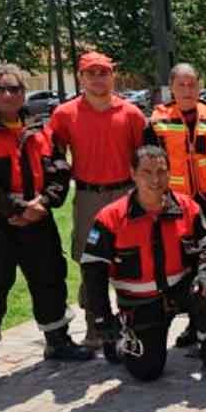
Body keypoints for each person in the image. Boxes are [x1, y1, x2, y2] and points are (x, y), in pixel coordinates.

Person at [0, 64, 92, 394]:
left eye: (15, 89)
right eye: (1, 89)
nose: (9, 95)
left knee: (49, 280)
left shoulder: (42, 131)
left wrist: (42, 205)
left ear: (24, 93)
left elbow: (60, 174)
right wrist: (17, 209)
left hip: (39, 222)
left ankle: (57, 341)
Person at [81, 145, 206, 388]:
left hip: (180, 291)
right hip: (140, 303)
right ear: (132, 173)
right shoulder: (110, 217)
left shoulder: (187, 206)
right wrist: (101, 316)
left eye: (161, 171)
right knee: (147, 372)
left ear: (170, 172)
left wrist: (205, 273)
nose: (155, 179)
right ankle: (120, 340)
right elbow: (93, 270)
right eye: (146, 172)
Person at [48, 51, 146, 347]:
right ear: (81, 77)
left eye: (103, 72)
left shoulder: (132, 114)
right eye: (91, 73)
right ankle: (94, 328)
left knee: (130, 260)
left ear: (112, 75)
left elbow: (145, 157)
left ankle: (135, 324)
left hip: (126, 194)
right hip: (89, 195)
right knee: (90, 261)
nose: (98, 78)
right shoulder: (64, 114)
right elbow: (51, 154)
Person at [143, 63, 206, 348]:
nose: (187, 90)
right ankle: (195, 324)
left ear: (200, 85)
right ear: (171, 87)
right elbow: (149, 167)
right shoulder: (157, 120)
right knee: (186, 264)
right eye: (180, 85)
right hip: (178, 204)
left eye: (192, 84)